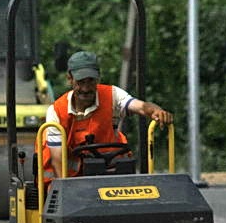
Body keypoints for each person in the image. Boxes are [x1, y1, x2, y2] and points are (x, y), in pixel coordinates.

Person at [43, 50, 172, 180]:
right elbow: (57, 159)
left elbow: (141, 106)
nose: (86, 88)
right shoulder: (56, 112)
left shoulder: (113, 95)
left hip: (111, 175)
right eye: (81, 82)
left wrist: (156, 111)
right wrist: (66, 190)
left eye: (91, 81)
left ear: (98, 78)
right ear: (70, 79)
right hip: (72, 181)